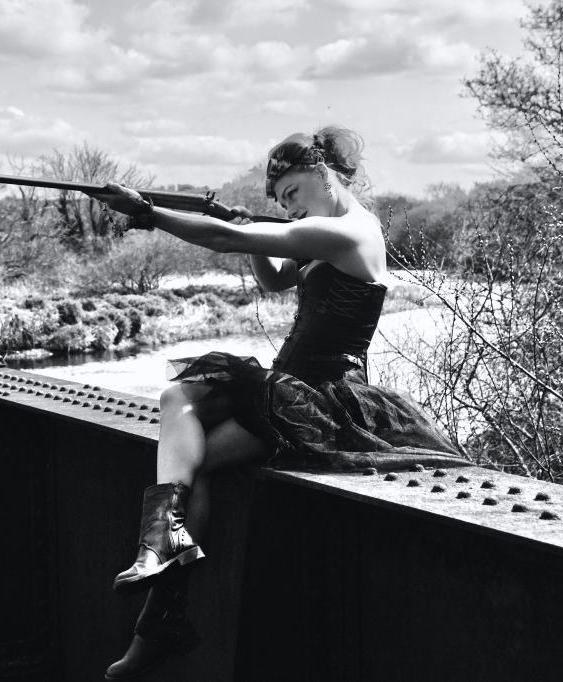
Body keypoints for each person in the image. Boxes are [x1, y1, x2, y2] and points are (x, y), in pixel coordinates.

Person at [94, 126, 467, 680]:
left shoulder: (351, 232)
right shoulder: (321, 235)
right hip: (289, 395)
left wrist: (149, 211)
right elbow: (272, 279)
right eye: (281, 201)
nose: (288, 207)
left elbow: (222, 240)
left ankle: (157, 548)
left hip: (318, 396)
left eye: (291, 193)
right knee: (195, 468)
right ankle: (158, 624)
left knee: (180, 395)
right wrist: (256, 234)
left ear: (323, 174)